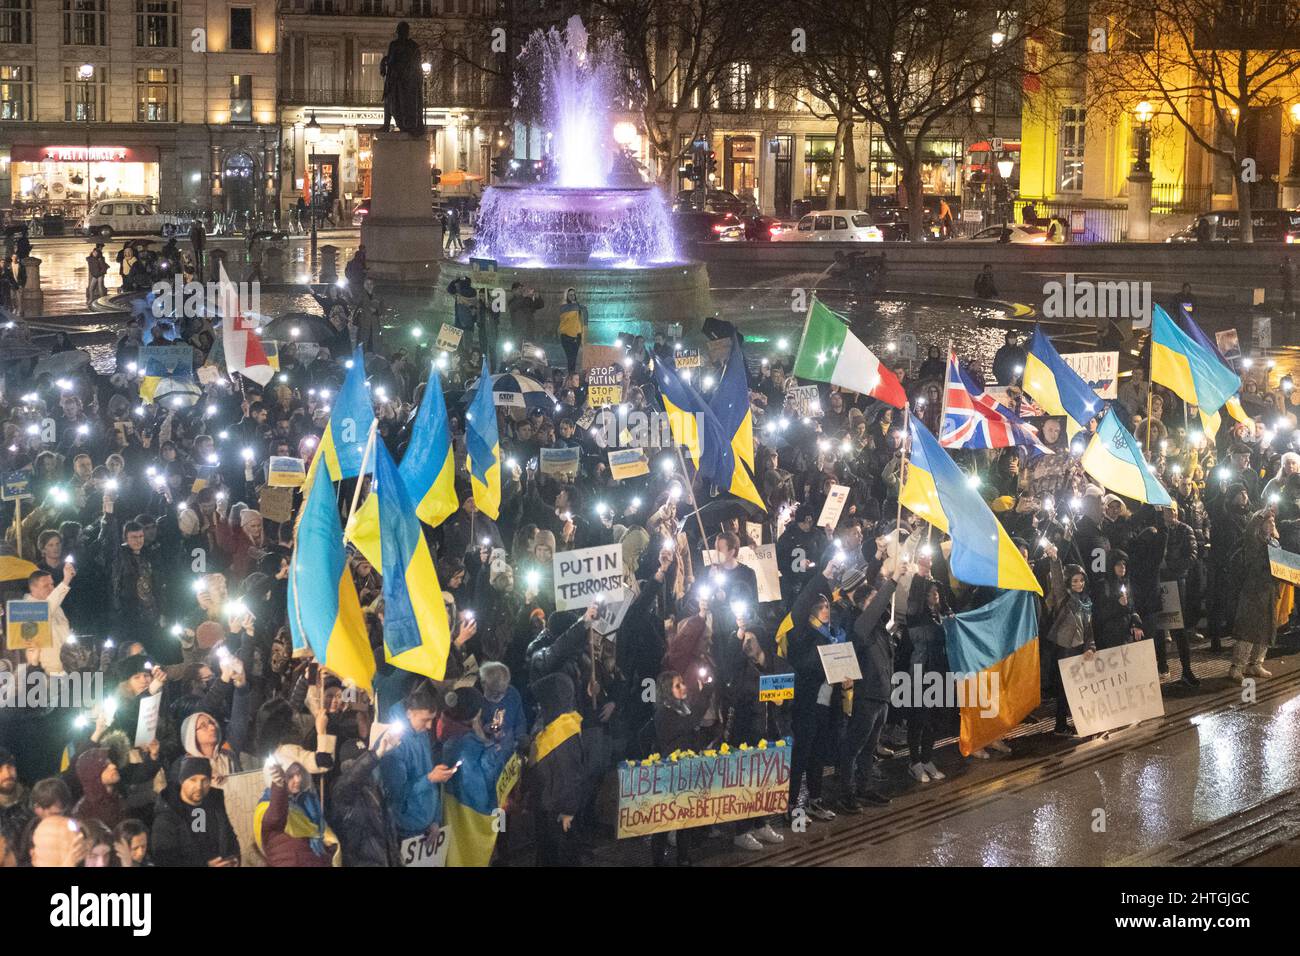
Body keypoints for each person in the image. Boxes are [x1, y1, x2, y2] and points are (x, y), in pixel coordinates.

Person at [150, 757, 240, 866]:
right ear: (181, 781)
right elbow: (164, 861)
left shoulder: (215, 806)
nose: (199, 786)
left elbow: (230, 839)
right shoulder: (166, 816)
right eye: (193, 780)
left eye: (204, 780)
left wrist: (234, 859)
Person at [556, 288, 587, 374]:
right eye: (570, 295)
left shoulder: (578, 307)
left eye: (574, 295)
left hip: (576, 336)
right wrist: (576, 307)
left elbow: (581, 320)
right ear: (567, 296)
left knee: (573, 358)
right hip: (566, 336)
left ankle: (572, 376)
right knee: (570, 358)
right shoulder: (565, 306)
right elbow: (564, 318)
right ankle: (571, 376)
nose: (572, 297)